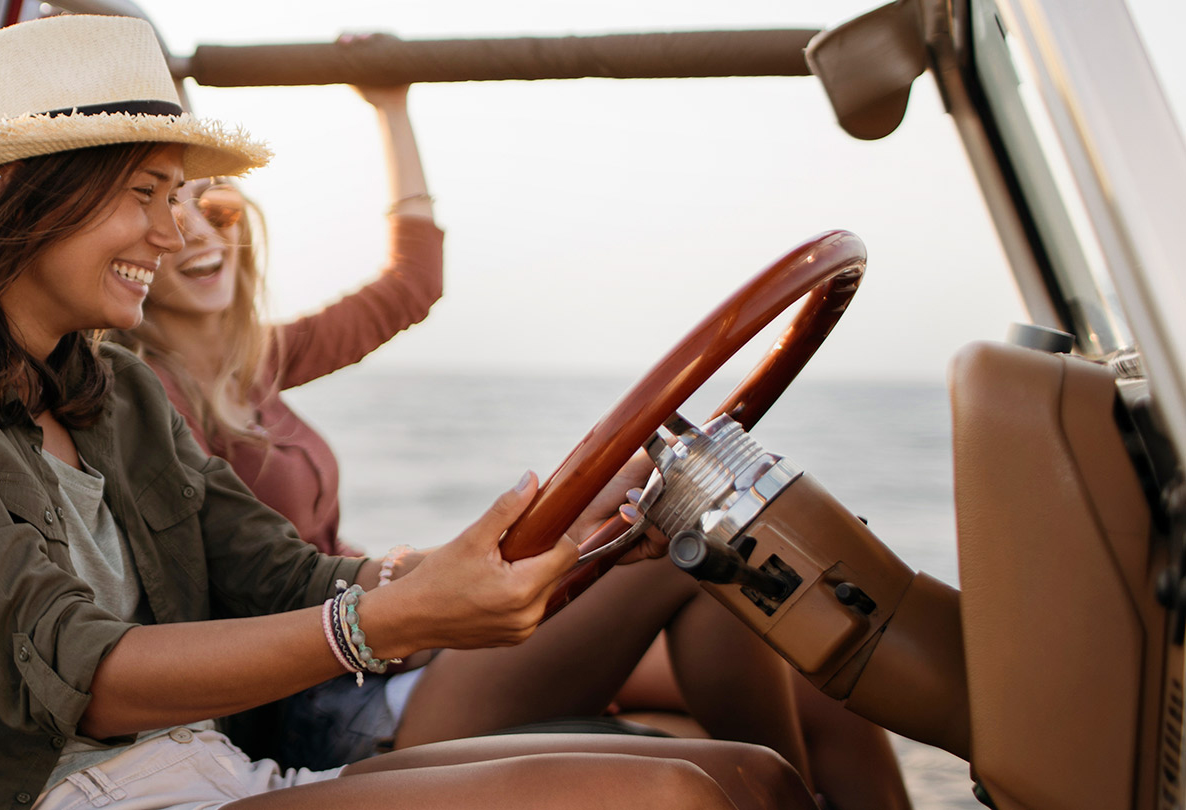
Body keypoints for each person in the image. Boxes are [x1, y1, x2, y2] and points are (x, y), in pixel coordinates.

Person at [0, 15, 813, 810]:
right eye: (145, 195)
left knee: (753, 775)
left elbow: (289, 577)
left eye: (182, 198)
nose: (172, 234)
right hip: (87, 794)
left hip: (211, 769)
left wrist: (473, 561)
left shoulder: (115, 393)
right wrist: (384, 621)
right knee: (671, 794)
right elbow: (86, 675)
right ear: (22, 186)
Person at [115, 77, 909, 809]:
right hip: (336, 704)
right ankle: (774, 789)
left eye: (211, 209)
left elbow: (412, 284)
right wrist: (427, 603)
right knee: (684, 536)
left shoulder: (261, 362)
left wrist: (390, 104)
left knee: (816, 676)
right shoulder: (150, 402)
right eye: (166, 212)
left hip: (398, 653)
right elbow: (251, 584)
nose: (192, 234)